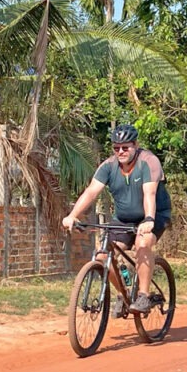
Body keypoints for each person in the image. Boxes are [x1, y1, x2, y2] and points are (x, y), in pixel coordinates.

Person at [62, 123, 171, 314]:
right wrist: (72, 216)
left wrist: (148, 219)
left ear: (135, 145)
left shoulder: (149, 162)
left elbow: (149, 194)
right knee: (103, 256)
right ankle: (124, 294)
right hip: (123, 218)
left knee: (142, 244)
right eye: (116, 148)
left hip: (154, 214)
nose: (120, 151)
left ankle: (144, 296)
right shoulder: (108, 166)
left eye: (125, 147)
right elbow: (91, 192)